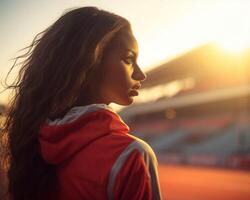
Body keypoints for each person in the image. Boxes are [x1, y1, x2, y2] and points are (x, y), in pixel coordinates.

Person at [0, 6, 162, 200]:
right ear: (89, 62)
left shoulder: (32, 143)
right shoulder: (131, 156)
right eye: (129, 59)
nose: (140, 74)